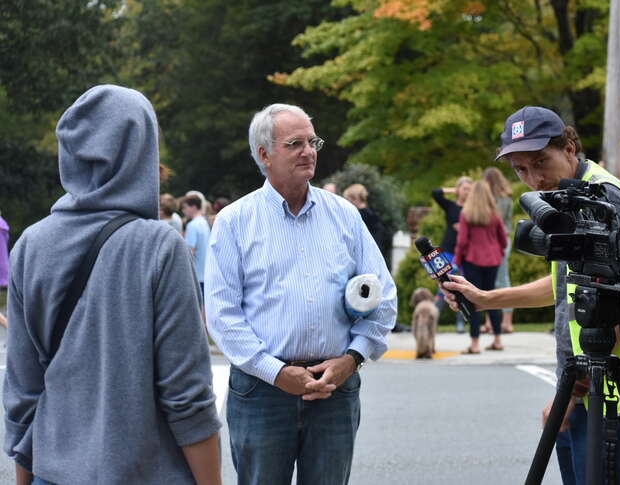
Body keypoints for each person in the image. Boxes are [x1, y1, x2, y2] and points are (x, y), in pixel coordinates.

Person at [442, 106, 620, 485]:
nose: (534, 179)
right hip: (587, 384)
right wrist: (485, 299)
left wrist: (571, 397)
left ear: (569, 147)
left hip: (608, 390)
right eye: (520, 169)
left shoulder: (603, 199)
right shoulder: (570, 195)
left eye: (540, 162)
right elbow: (564, 286)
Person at [3, 85, 221, 485]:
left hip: (53, 473)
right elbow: (187, 396)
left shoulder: (30, 245)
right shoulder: (160, 247)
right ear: (141, 151)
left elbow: (23, 391)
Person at [204, 103, 397, 485]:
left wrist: (353, 358)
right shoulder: (234, 222)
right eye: (295, 144)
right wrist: (276, 373)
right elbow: (222, 315)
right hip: (262, 392)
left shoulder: (344, 214)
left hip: (335, 388)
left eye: (312, 141)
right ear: (264, 155)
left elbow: (383, 295)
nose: (309, 152)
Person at [454, 179, 507, 354]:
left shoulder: (466, 214)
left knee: (473, 300)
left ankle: (475, 343)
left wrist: (458, 261)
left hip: (472, 260)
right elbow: (504, 240)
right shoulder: (495, 214)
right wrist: (498, 253)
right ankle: (498, 339)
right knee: (492, 297)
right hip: (493, 260)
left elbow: (461, 241)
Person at [431, 176, 472, 332]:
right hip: (447, 252)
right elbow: (435, 193)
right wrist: (453, 190)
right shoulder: (450, 206)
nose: (467, 191)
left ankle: (461, 322)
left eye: (470, 188)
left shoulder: (473, 208)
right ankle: (433, 320)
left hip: (465, 254)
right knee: (443, 285)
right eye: (464, 188)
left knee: (462, 287)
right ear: (458, 189)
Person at [482, 166, 515, 334]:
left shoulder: (499, 200)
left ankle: (506, 322)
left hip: (497, 242)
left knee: (500, 280)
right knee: (495, 281)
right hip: (499, 241)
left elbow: (495, 222)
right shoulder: (505, 197)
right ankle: (492, 321)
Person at [343, 183, 391, 265]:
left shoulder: (359, 216)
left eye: (348, 199)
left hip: (367, 258)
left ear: (355, 198)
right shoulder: (372, 213)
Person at [182, 195, 210, 297]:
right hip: (205, 273)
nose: (183, 211)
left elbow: (189, 251)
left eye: (185, 207)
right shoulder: (204, 222)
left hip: (196, 275)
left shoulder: (192, 225)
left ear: (193, 207)